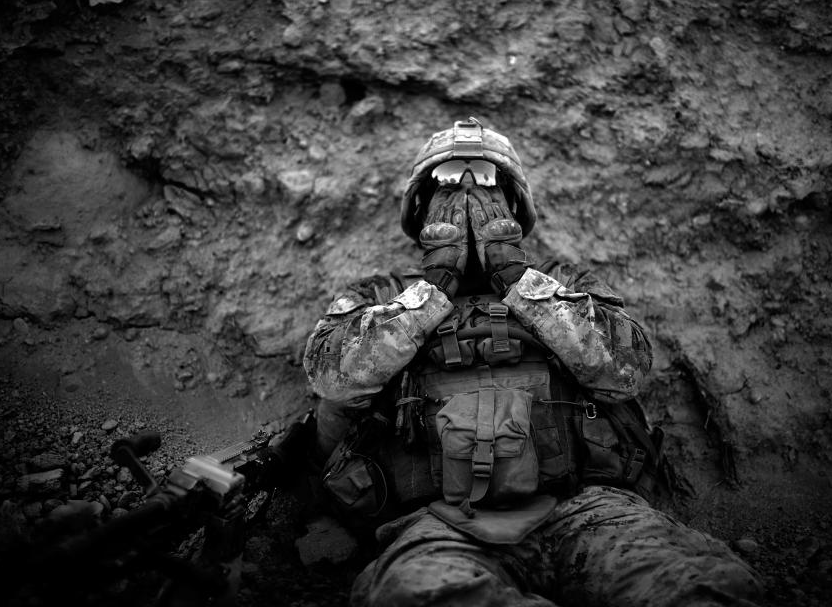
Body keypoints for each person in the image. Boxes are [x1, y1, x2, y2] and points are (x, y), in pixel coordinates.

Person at [302, 118, 764, 607]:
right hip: (442, 524)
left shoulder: (566, 282)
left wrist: (519, 280)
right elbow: (333, 378)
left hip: (589, 509)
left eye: (484, 179)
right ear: (419, 208)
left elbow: (624, 369)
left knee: (695, 589)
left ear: (514, 203)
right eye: (445, 180)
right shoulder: (380, 295)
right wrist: (432, 290)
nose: (465, 191)